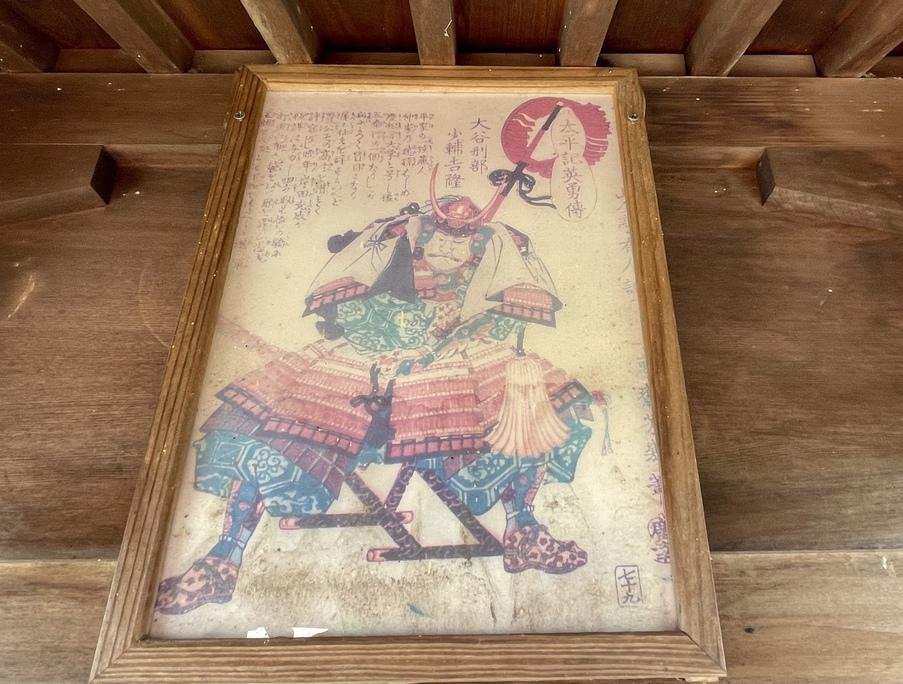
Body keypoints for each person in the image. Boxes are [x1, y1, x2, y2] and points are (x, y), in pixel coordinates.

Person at [156, 197, 594, 615]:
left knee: (531, 406)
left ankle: (523, 530)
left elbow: (509, 313)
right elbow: (349, 306)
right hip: (368, 360)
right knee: (269, 426)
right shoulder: (390, 243)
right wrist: (387, 340)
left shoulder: (493, 254)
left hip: (452, 364)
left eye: (463, 238)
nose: (451, 244)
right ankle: (223, 558)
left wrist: (468, 329)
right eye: (443, 233)